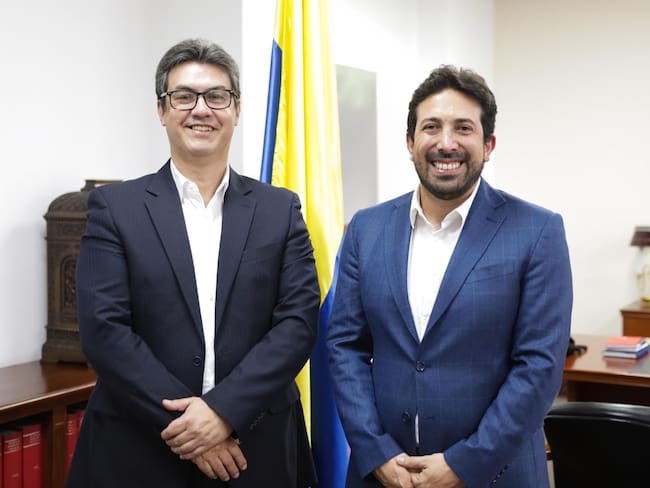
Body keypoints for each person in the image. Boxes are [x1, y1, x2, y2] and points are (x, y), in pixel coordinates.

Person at [67, 38, 320, 488]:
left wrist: (223, 412)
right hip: (139, 447)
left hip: (254, 447)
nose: (201, 109)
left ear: (236, 110)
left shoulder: (280, 209)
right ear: (162, 110)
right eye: (184, 96)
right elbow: (104, 330)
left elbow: (297, 324)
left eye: (217, 96)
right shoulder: (115, 207)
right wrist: (193, 427)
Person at [327, 65, 572, 488]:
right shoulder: (365, 229)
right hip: (383, 475)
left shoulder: (537, 231)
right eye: (431, 127)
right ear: (410, 142)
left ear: (488, 144)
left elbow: (539, 366)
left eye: (463, 128)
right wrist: (376, 452)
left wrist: (465, 464)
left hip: (494, 474)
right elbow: (345, 347)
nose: (446, 143)